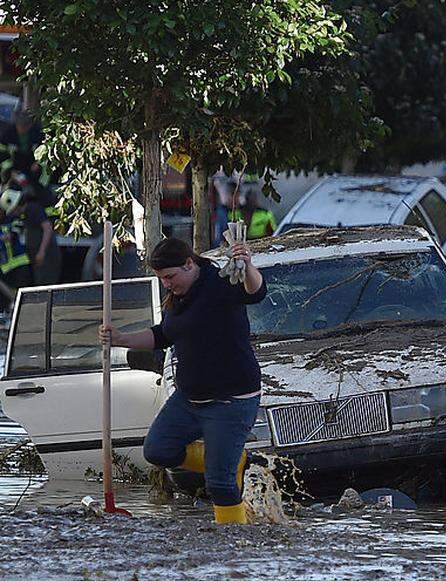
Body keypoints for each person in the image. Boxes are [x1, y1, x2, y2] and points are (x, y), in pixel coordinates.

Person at [100, 237, 267, 524]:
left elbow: (256, 292)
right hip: (189, 399)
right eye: (161, 278)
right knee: (158, 450)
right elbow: (163, 334)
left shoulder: (219, 282)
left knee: (220, 484)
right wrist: (121, 339)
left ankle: (234, 542)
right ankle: (232, 461)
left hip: (230, 401)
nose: (166, 284)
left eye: (170, 277)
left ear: (189, 264)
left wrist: (249, 265)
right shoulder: (178, 296)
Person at [11, 186, 61, 286]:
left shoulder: (33, 209)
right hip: (39, 259)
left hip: (47, 257)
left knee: (46, 284)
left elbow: (47, 228)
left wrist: (41, 252)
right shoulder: (26, 214)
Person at [0, 188, 31, 312]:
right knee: (10, 296)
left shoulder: (13, 219)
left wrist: (8, 235)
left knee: (21, 295)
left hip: (20, 263)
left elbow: (17, 229)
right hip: (6, 267)